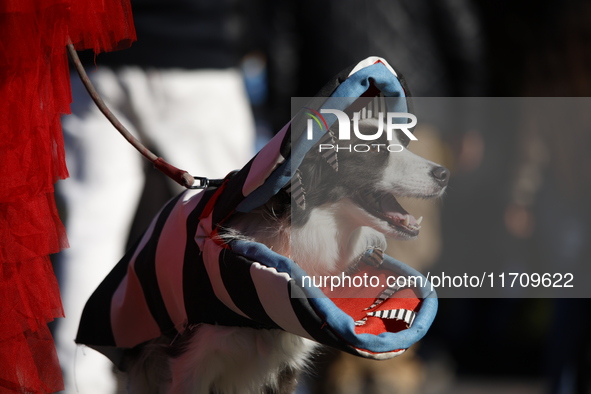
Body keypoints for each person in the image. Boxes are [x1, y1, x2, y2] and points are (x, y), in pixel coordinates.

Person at [53, 1, 257, 392]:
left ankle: (80, 384)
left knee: (87, 236)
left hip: (94, 59)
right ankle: (231, 380)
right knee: (232, 234)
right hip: (196, 56)